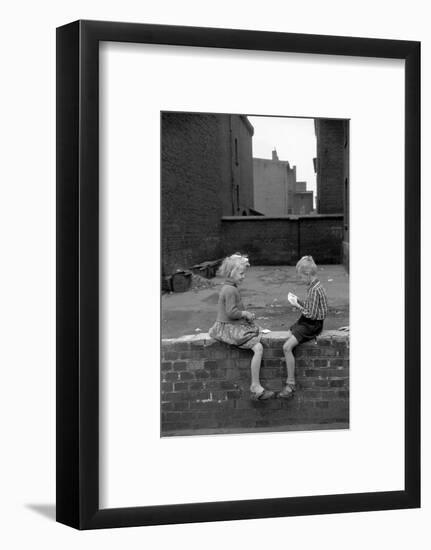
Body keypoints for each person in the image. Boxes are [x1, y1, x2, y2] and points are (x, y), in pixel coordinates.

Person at [208, 253, 274, 401]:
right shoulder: (231, 290)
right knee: (258, 347)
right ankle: (255, 386)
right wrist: (245, 313)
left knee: (255, 331)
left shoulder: (229, 287)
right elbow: (231, 313)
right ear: (231, 273)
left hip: (228, 325)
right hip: (228, 328)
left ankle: (256, 386)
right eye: (241, 273)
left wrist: (246, 315)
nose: (244, 276)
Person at [279, 255, 328, 399]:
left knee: (286, 347)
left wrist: (297, 305)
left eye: (300, 277)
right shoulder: (317, 285)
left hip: (312, 324)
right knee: (289, 332)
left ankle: (291, 383)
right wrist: (299, 301)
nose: (300, 280)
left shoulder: (313, 290)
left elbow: (311, 314)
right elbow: (314, 309)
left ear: (307, 274)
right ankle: (289, 363)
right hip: (309, 321)